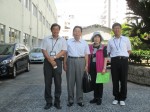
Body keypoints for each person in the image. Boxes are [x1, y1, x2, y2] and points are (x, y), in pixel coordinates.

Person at [41, 23, 67, 110]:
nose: (55, 31)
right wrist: (50, 60)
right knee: (48, 83)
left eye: (57, 29)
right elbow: (43, 50)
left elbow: (63, 51)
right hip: (48, 62)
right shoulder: (46, 39)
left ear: (59, 30)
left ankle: (57, 102)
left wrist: (55, 58)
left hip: (58, 61)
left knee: (58, 82)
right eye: (54, 29)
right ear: (51, 30)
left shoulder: (62, 40)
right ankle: (48, 102)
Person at [63, 26, 90, 107]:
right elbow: (65, 53)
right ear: (73, 32)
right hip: (70, 61)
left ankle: (80, 100)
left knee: (80, 82)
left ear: (81, 33)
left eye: (79, 31)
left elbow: (86, 55)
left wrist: (86, 65)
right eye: (75, 31)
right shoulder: (68, 42)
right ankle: (70, 99)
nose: (77, 33)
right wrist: (64, 63)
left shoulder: (84, 43)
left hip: (81, 61)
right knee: (70, 82)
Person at [107, 23, 131, 106]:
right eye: (115, 28)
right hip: (114, 61)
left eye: (118, 28)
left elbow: (129, 50)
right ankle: (116, 97)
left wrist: (124, 57)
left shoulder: (126, 39)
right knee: (115, 80)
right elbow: (108, 52)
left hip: (124, 60)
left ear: (121, 29)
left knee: (124, 80)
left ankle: (122, 98)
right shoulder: (110, 41)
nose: (117, 30)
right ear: (113, 30)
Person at [88, 32, 108, 105]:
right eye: (95, 37)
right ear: (93, 38)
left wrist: (104, 68)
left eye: (98, 37)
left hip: (100, 67)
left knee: (99, 83)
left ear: (100, 39)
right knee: (93, 82)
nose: (96, 39)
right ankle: (95, 97)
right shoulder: (90, 47)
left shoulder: (103, 47)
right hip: (92, 67)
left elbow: (106, 58)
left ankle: (99, 98)